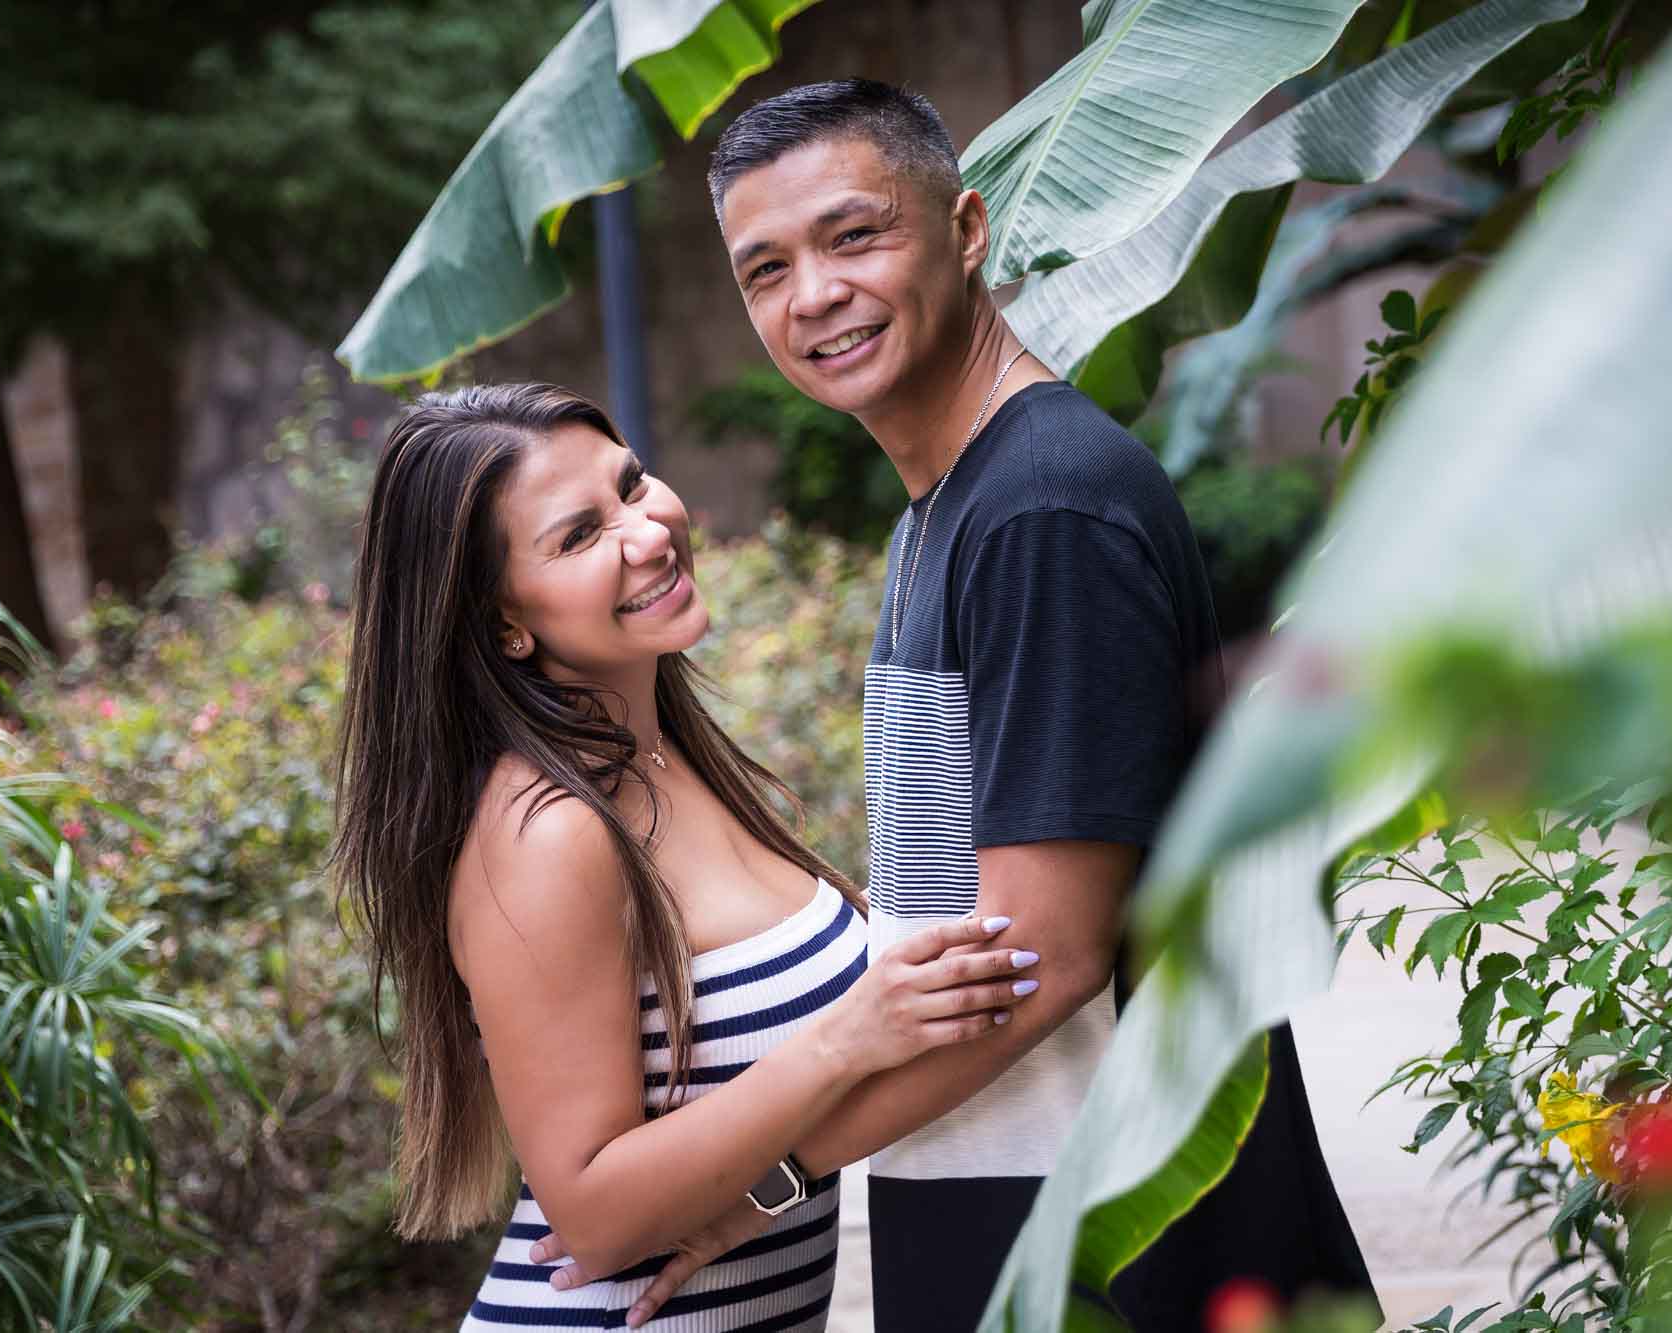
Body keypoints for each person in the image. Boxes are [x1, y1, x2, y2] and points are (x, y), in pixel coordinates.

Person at [532, 80, 1380, 1330]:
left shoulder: (1040, 508)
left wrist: (762, 1181)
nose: (810, 295)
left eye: (852, 235)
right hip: (1011, 1182)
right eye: (763, 269)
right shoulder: (948, 508)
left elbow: (1046, 954)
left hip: (1117, 1220)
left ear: (967, 230)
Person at [329, 382, 1046, 1332]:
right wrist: (845, 1039)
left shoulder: (669, 754)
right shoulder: (548, 831)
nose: (648, 531)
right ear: (501, 620)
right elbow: (592, 1214)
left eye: (632, 484)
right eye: (578, 536)